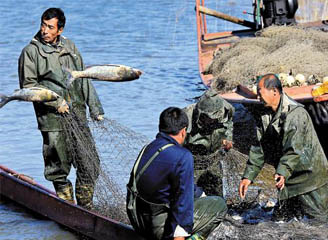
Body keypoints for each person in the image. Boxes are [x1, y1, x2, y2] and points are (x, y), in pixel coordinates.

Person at [18, 8, 104, 208]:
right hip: (52, 121)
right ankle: (67, 207)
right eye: (43, 25)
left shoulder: (70, 46)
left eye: (50, 27)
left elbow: (83, 78)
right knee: (58, 167)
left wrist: (96, 108)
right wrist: (56, 103)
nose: (44, 30)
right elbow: (28, 88)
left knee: (90, 163)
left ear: (60, 29)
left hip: (77, 115)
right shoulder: (30, 52)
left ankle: (85, 206)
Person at [127, 107, 227, 240]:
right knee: (219, 204)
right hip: (159, 230)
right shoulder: (183, 156)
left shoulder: (149, 148)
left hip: (138, 223)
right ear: (183, 131)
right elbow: (183, 201)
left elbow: (178, 186)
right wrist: (180, 234)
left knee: (194, 197)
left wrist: (200, 195)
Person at [239, 73, 328, 221]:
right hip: (287, 180)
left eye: (260, 91)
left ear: (274, 91)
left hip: (311, 178)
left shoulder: (296, 113)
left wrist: (282, 171)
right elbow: (259, 148)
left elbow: (294, 147)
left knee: (319, 222)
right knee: (280, 221)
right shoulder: (264, 115)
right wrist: (248, 176)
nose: (258, 96)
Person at [183, 88, 234, 156]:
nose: (213, 120)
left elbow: (229, 123)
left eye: (215, 117)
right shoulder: (185, 117)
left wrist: (228, 138)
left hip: (215, 144)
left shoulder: (227, 109)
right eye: (209, 118)